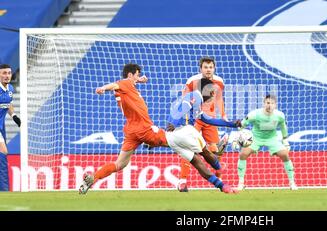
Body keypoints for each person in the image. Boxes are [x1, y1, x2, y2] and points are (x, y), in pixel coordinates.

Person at [78, 63, 238, 194]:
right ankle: (218, 169)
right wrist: (102, 88)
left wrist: (139, 80)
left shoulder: (128, 89)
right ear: (130, 75)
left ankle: (93, 178)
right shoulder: (125, 83)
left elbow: (122, 87)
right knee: (197, 154)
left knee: (120, 164)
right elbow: (116, 84)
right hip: (146, 129)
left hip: (131, 132)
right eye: (137, 75)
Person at [169, 77, 241, 191]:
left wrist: (232, 124)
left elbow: (209, 120)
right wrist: (173, 123)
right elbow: (184, 107)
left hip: (173, 137)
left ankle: (220, 185)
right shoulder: (195, 96)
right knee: (206, 153)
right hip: (184, 131)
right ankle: (218, 166)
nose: (213, 94)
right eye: (211, 91)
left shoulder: (197, 103)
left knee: (198, 162)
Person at [178, 56, 228, 192]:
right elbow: (184, 99)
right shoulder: (192, 81)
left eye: (211, 67)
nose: (208, 69)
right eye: (205, 67)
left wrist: (223, 115)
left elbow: (218, 99)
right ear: (200, 69)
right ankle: (182, 181)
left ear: (214, 68)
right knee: (188, 149)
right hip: (195, 119)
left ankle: (220, 180)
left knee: (215, 151)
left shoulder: (219, 81)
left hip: (210, 119)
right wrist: (185, 117)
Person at [236, 94, 297, 190]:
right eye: (268, 103)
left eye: (272, 103)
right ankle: (241, 183)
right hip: (256, 138)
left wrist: (285, 140)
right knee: (243, 153)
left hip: (272, 138)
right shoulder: (254, 114)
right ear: (264, 104)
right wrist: (238, 138)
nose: (270, 105)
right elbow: (242, 125)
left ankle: (292, 183)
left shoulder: (280, 115)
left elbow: (283, 127)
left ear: (275, 105)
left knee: (285, 154)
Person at [0, 64, 21, 191]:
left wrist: (14, 116)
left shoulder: (10, 89)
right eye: (4, 73)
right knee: (3, 151)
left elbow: (8, 104)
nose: (7, 75)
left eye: (9, 73)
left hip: (2, 127)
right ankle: (3, 188)